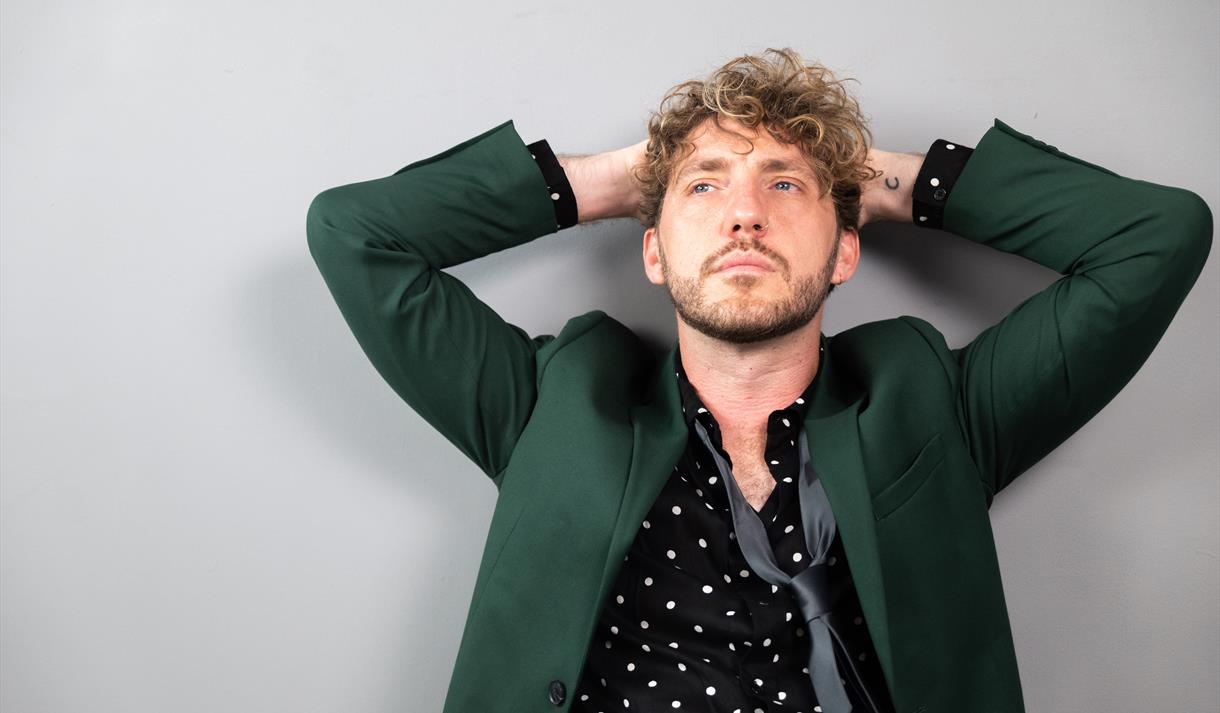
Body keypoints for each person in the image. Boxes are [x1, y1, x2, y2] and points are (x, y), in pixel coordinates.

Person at [305, 48, 1212, 713]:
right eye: (706, 189)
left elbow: (1157, 237)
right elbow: (355, 236)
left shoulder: (936, 405)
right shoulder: (553, 400)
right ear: (652, 252)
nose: (743, 213)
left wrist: (887, 181)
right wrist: (626, 178)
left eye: (784, 187)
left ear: (847, 247)